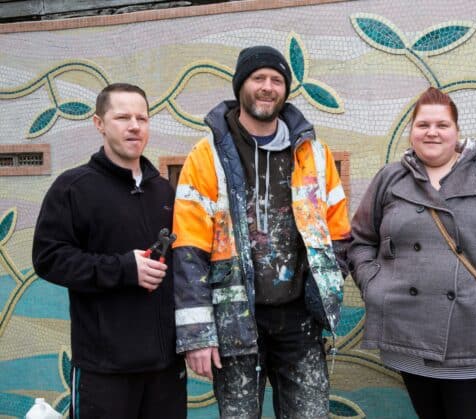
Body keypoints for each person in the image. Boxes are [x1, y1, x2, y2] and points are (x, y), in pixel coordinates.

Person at [172, 45, 351, 418]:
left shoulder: (314, 154)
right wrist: (198, 335)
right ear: (241, 85)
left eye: (276, 80)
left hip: (300, 319)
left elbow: (338, 234)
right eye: (258, 78)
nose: (268, 87)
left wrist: (324, 290)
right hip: (235, 319)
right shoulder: (206, 156)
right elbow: (189, 250)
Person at [348, 87, 476, 418]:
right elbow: (360, 239)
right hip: (407, 330)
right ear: (411, 131)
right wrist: (374, 286)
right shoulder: (390, 177)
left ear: (456, 131)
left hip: (473, 332)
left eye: (442, 125)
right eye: (423, 125)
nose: (432, 132)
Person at [32, 83, 186, 418]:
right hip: (104, 370)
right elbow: (48, 258)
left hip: (165, 369)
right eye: (122, 117)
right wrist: (124, 269)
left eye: (142, 118)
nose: (134, 126)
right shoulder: (73, 187)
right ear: (99, 123)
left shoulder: (164, 192)